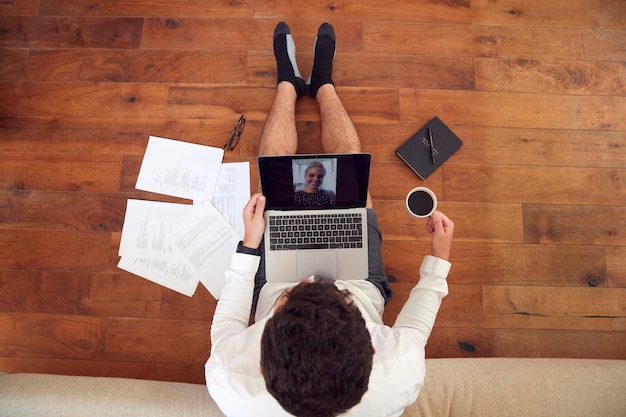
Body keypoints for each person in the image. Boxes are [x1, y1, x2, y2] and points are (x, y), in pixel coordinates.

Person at [205, 21, 455, 417]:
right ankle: (323, 84)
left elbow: (232, 317)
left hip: (275, 277)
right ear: (372, 347)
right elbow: (414, 326)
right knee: (350, 170)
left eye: (294, 295)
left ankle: (287, 83)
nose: (314, 276)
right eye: (337, 298)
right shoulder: (397, 373)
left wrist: (249, 245)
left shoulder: (230, 377)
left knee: (273, 171)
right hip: (361, 280)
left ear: (261, 362)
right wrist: (438, 261)